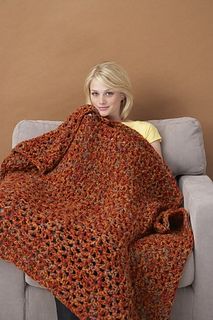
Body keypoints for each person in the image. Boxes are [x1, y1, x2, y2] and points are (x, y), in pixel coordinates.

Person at [55, 61, 162, 319]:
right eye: (95, 93)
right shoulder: (84, 128)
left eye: (108, 93)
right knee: (63, 244)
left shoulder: (144, 130)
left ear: (122, 95)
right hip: (91, 207)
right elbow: (70, 174)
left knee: (100, 239)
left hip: (133, 206)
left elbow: (158, 181)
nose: (101, 101)